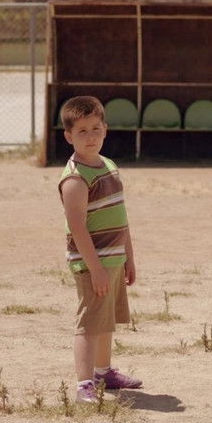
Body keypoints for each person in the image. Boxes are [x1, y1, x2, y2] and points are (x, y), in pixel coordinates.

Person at [58, 96, 143, 403]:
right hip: (91, 263)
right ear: (69, 136)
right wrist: (95, 268)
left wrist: (128, 256)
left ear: (105, 129)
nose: (91, 136)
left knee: (105, 320)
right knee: (90, 323)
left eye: (96, 128)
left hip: (114, 258)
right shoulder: (75, 178)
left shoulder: (108, 165)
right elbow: (77, 227)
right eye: (82, 131)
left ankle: (104, 372)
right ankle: (84, 385)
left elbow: (121, 215)